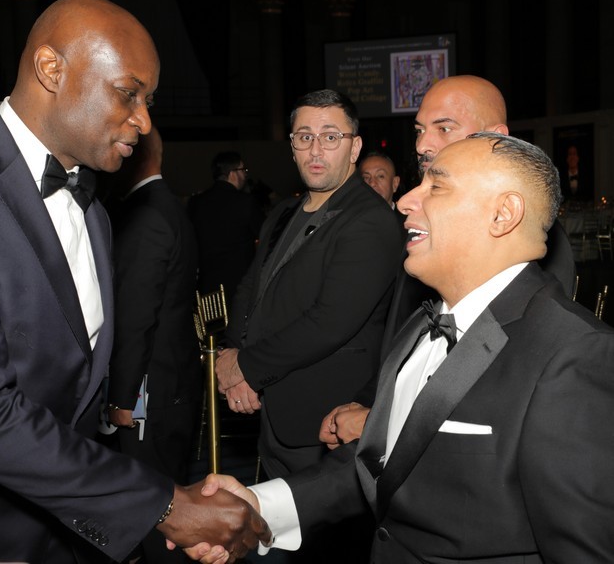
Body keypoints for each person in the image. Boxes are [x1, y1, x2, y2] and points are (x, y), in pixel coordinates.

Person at [0, 0, 268, 564]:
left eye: (148, 101)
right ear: (52, 70)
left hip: (66, 529)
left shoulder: (94, 211)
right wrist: (163, 504)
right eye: (128, 94)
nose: (144, 121)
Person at [198, 133, 614, 564]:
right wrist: (258, 505)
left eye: (436, 185)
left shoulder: (574, 356)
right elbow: (385, 462)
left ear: (503, 214)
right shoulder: (422, 323)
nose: (404, 201)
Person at [319, 74, 577, 449]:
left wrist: (381, 421)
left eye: (444, 128)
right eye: (419, 130)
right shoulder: (427, 227)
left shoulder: (537, 242)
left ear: (497, 137)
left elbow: (514, 385)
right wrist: (374, 403)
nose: (422, 144)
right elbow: (414, 343)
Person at [215, 89, 403, 476]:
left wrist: (246, 366)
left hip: (325, 418)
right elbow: (251, 288)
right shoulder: (284, 211)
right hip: (271, 404)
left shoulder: (370, 220)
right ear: (292, 146)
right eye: (304, 137)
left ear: (354, 148)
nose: (315, 150)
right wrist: (236, 356)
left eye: (330, 137)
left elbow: (330, 322)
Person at [106, 127, 203, 563]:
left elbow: (135, 317)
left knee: (153, 514)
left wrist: (121, 397)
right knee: (167, 503)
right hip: (173, 383)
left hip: (151, 390)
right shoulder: (169, 206)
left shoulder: (145, 214)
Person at [187, 151, 265, 305]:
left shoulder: (196, 203)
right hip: (239, 289)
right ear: (232, 173)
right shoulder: (245, 202)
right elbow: (266, 235)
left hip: (207, 289)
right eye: (243, 170)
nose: (245, 175)